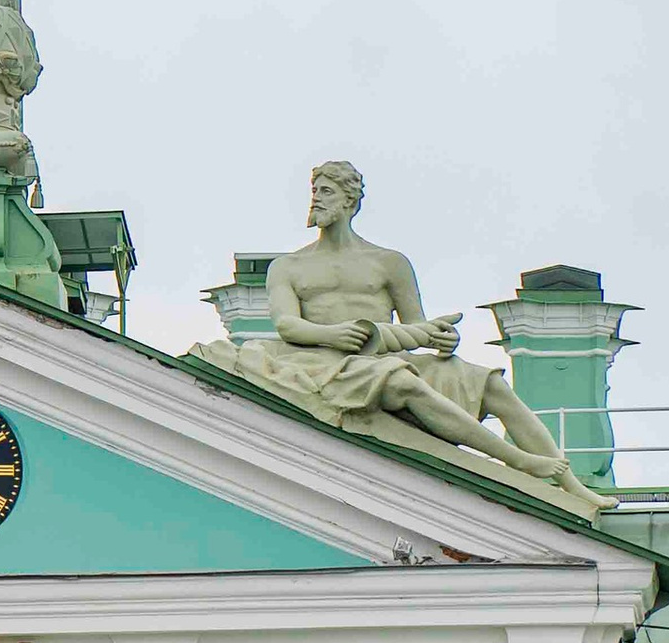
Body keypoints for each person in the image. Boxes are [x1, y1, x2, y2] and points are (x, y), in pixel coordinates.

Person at [203, 163, 598, 505]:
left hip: (387, 354)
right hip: (322, 361)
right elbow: (287, 325)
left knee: (490, 384)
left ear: (349, 200)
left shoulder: (389, 263)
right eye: (314, 191)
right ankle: (514, 459)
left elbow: (416, 325)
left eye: (326, 191)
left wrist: (441, 339)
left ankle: (571, 485)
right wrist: (332, 334)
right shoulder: (289, 267)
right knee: (398, 381)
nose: (316, 200)